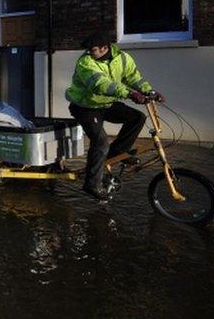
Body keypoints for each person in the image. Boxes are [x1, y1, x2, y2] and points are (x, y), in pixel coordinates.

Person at [66, 31, 165, 201]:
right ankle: (92, 184)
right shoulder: (85, 62)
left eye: (93, 49)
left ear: (105, 48)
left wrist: (149, 91)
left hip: (105, 104)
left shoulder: (123, 58)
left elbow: (134, 77)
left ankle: (117, 154)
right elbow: (100, 84)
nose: (90, 52)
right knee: (101, 141)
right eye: (89, 49)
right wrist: (129, 94)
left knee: (137, 118)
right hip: (85, 106)